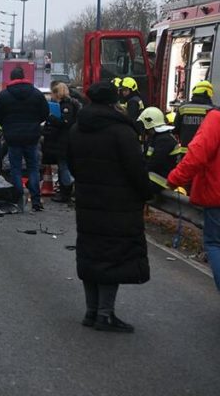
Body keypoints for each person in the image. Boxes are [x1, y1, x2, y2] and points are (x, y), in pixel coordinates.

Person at [68, 82, 151, 332]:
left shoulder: (77, 128)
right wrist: (146, 194)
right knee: (112, 257)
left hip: (87, 201)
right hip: (118, 205)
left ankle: (91, 312)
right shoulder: (121, 131)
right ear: (114, 102)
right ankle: (105, 314)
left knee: (91, 254)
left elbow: (71, 164)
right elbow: (136, 170)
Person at [167, 107, 220, 292]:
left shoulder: (216, 119)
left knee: (214, 244)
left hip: (217, 196)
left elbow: (197, 155)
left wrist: (175, 179)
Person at [0, 66, 49, 211]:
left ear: (11, 78)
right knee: (33, 168)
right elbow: (45, 113)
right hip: (32, 136)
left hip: (12, 137)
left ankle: (18, 200)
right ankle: (36, 202)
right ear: (24, 77)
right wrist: (35, 123)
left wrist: (6, 124)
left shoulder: (4, 95)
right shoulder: (36, 94)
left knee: (16, 169)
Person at [43, 82, 81, 203]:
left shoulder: (66, 106)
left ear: (57, 93)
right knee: (63, 165)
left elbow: (66, 123)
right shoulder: (68, 104)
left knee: (63, 165)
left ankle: (67, 188)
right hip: (66, 139)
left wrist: (52, 118)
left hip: (64, 140)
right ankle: (65, 190)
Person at [137, 107, 179, 193]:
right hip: (156, 178)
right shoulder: (157, 137)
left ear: (149, 124)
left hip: (161, 182)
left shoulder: (164, 140)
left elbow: (154, 163)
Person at [174, 81, 214, 150]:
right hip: (204, 153)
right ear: (209, 93)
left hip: (185, 151)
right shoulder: (213, 110)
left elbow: (176, 129)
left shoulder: (183, 108)